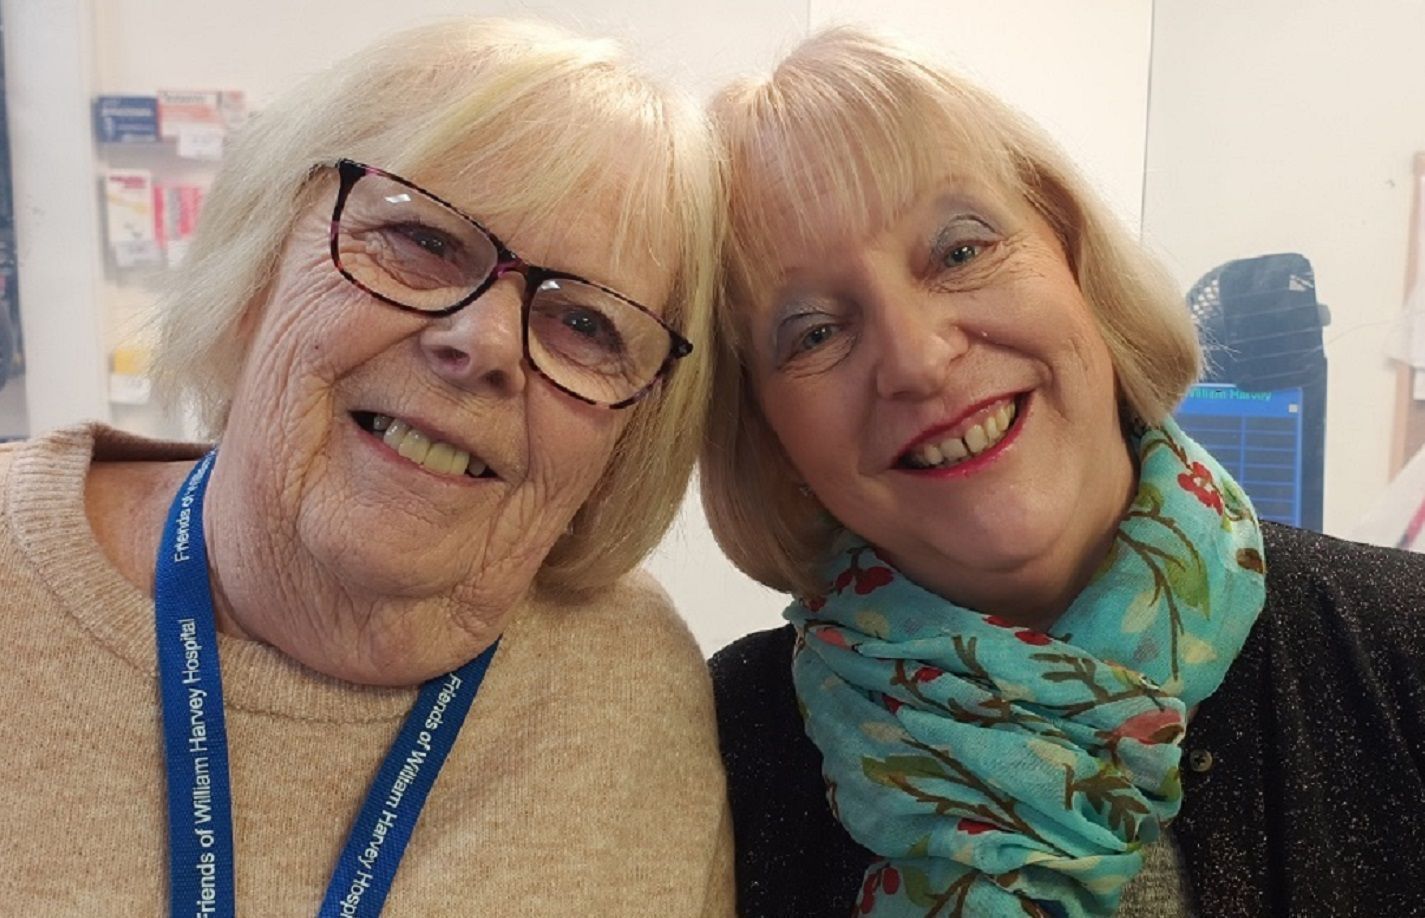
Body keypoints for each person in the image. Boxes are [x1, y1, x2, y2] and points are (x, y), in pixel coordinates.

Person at [0, 19, 733, 915]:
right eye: (423, 240)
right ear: (261, 260)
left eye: (586, 324)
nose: (485, 341)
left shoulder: (636, 682)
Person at [703, 26, 1425, 918]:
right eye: (813, 331)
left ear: (1072, 255)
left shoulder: (1402, 651)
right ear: (768, 434)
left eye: (960, 251)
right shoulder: (720, 745)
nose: (919, 360)